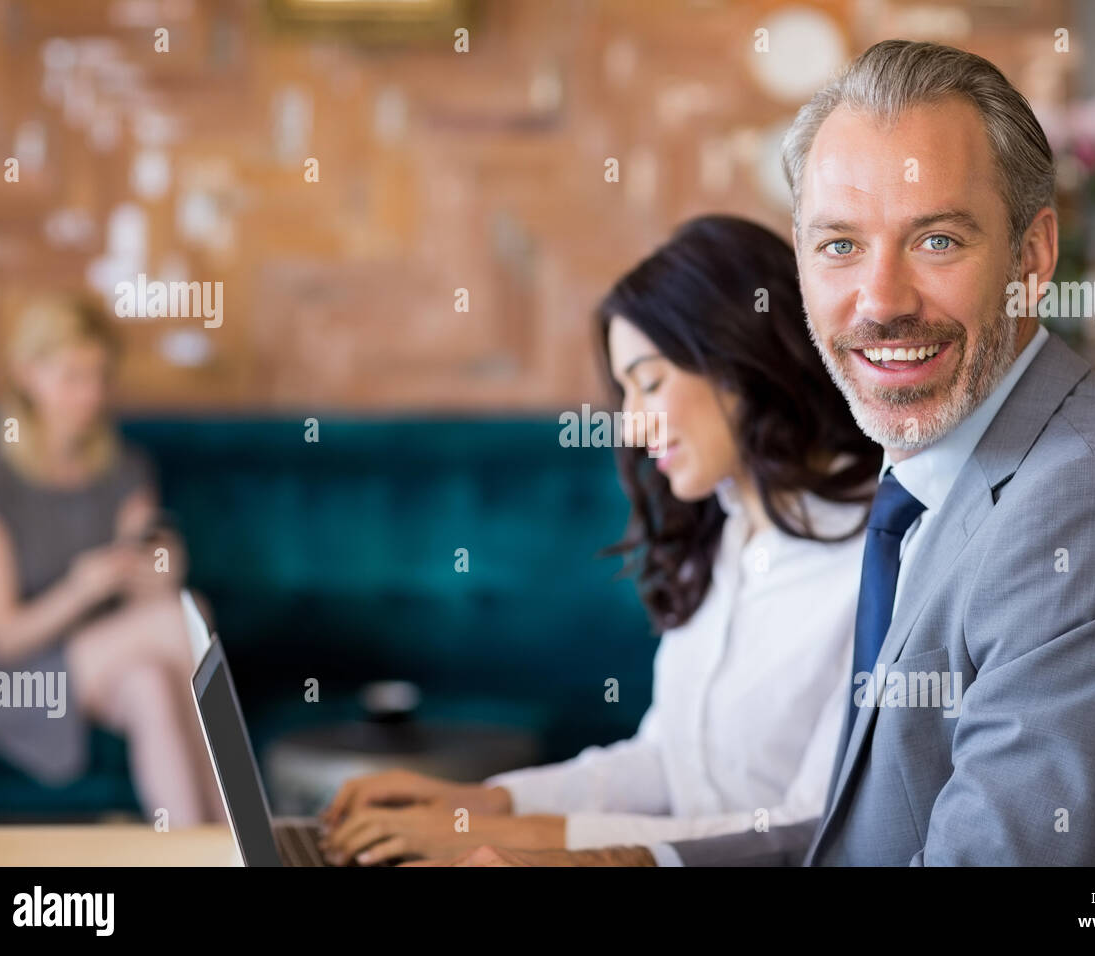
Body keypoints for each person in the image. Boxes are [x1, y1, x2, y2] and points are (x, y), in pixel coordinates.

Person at [424, 40, 1095, 867]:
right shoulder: (939, 470)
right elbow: (858, 835)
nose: (881, 302)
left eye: (937, 240)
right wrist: (594, 862)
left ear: (1033, 258)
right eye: (840, 245)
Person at [318, 215, 881, 864]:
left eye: (650, 382)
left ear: (738, 359)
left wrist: (504, 839)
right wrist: (480, 805)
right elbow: (668, 762)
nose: (634, 427)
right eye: (625, 393)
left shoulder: (874, 561)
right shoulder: (727, 529)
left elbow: (804, 830)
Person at [0, 295, 223, 826]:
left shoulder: (126, 466)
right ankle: (238, 836)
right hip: (10, 675)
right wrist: (81, 589)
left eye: (100, 376)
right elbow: (4, 639)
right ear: (27, 374)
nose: (91, 394)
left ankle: (189, 852)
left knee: (153, 683)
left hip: (112, 653)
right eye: (72, 377)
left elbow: (143, 603)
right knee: (185, 617)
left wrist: (157, 571)